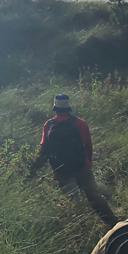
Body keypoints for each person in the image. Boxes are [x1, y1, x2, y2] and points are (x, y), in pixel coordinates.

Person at [28, 93, 118, 226]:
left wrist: (33, 171)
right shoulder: (80, 123)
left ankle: (79, 229)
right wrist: (88, 164)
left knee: (73, 202)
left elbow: (44, 151)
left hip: (62, 171)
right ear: (68, 108)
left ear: (55, 109)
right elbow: (88, 146)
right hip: (81, 167)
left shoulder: (48, 125)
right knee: (95, 198)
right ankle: (114, 225)